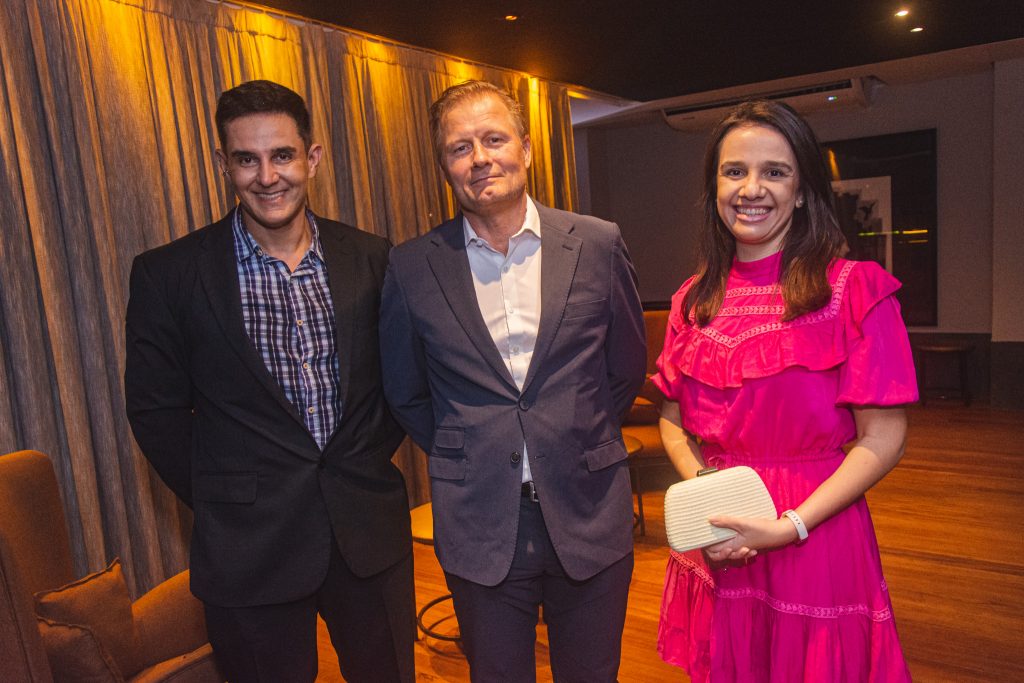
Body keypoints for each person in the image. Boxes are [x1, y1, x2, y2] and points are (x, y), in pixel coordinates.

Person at [125, 80, 415, 682]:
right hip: (247, 547)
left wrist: (354, 464)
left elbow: (396, 383)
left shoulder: (372, 256)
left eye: (282, 155)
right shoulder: (168, 274)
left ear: (311, 157)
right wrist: (227, 491)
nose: (267, 176)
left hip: (366, 533)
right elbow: (155, 413)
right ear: (223, 164)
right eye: (246, 159)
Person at [380, 80, 646, 682]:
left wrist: (573, 436)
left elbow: (625, 367)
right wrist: (473, 450)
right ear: (444, 165)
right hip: (479, 522)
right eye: (460, 147)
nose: (480, 158)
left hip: (589, 509)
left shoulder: (597, 243)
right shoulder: (412, 265)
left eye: (494, 139)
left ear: (525, 149)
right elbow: (407, 392)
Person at [653, 100, 916, 681]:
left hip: (814, 536)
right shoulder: (692, 299)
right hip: (723, 535)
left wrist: (789, 525)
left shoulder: (853, 288)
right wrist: (709, 494)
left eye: (775, 171)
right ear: (715, 187)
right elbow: (673, 416)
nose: (752, 188)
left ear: (802, 191)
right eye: (734, 171)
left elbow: (884, 437)